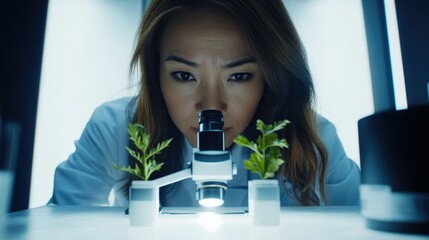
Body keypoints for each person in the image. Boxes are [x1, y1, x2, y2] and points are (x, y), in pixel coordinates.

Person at [49, 0, 360, 207]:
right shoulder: (115, 129)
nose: (210, 106)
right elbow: (59, 226)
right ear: (155, 74)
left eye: (239, 76)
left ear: (272, 75)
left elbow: (363, 226)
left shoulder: (316, 141)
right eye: (184, 75)